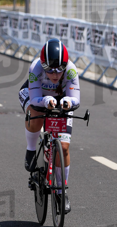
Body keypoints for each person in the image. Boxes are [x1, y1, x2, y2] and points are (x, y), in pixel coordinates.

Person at [18, 38, 80, 214]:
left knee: (65, 147)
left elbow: (76, 99)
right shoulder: (35, 68)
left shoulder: (71, 70)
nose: (54, 75)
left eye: (59, 70)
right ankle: (31, 149)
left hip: (60, 99)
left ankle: (62, 191)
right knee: (36, 113)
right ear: (43, 65)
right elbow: (35, 97)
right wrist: (45, 101)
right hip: (36, 96)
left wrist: (68, 101)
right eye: (49, 71)